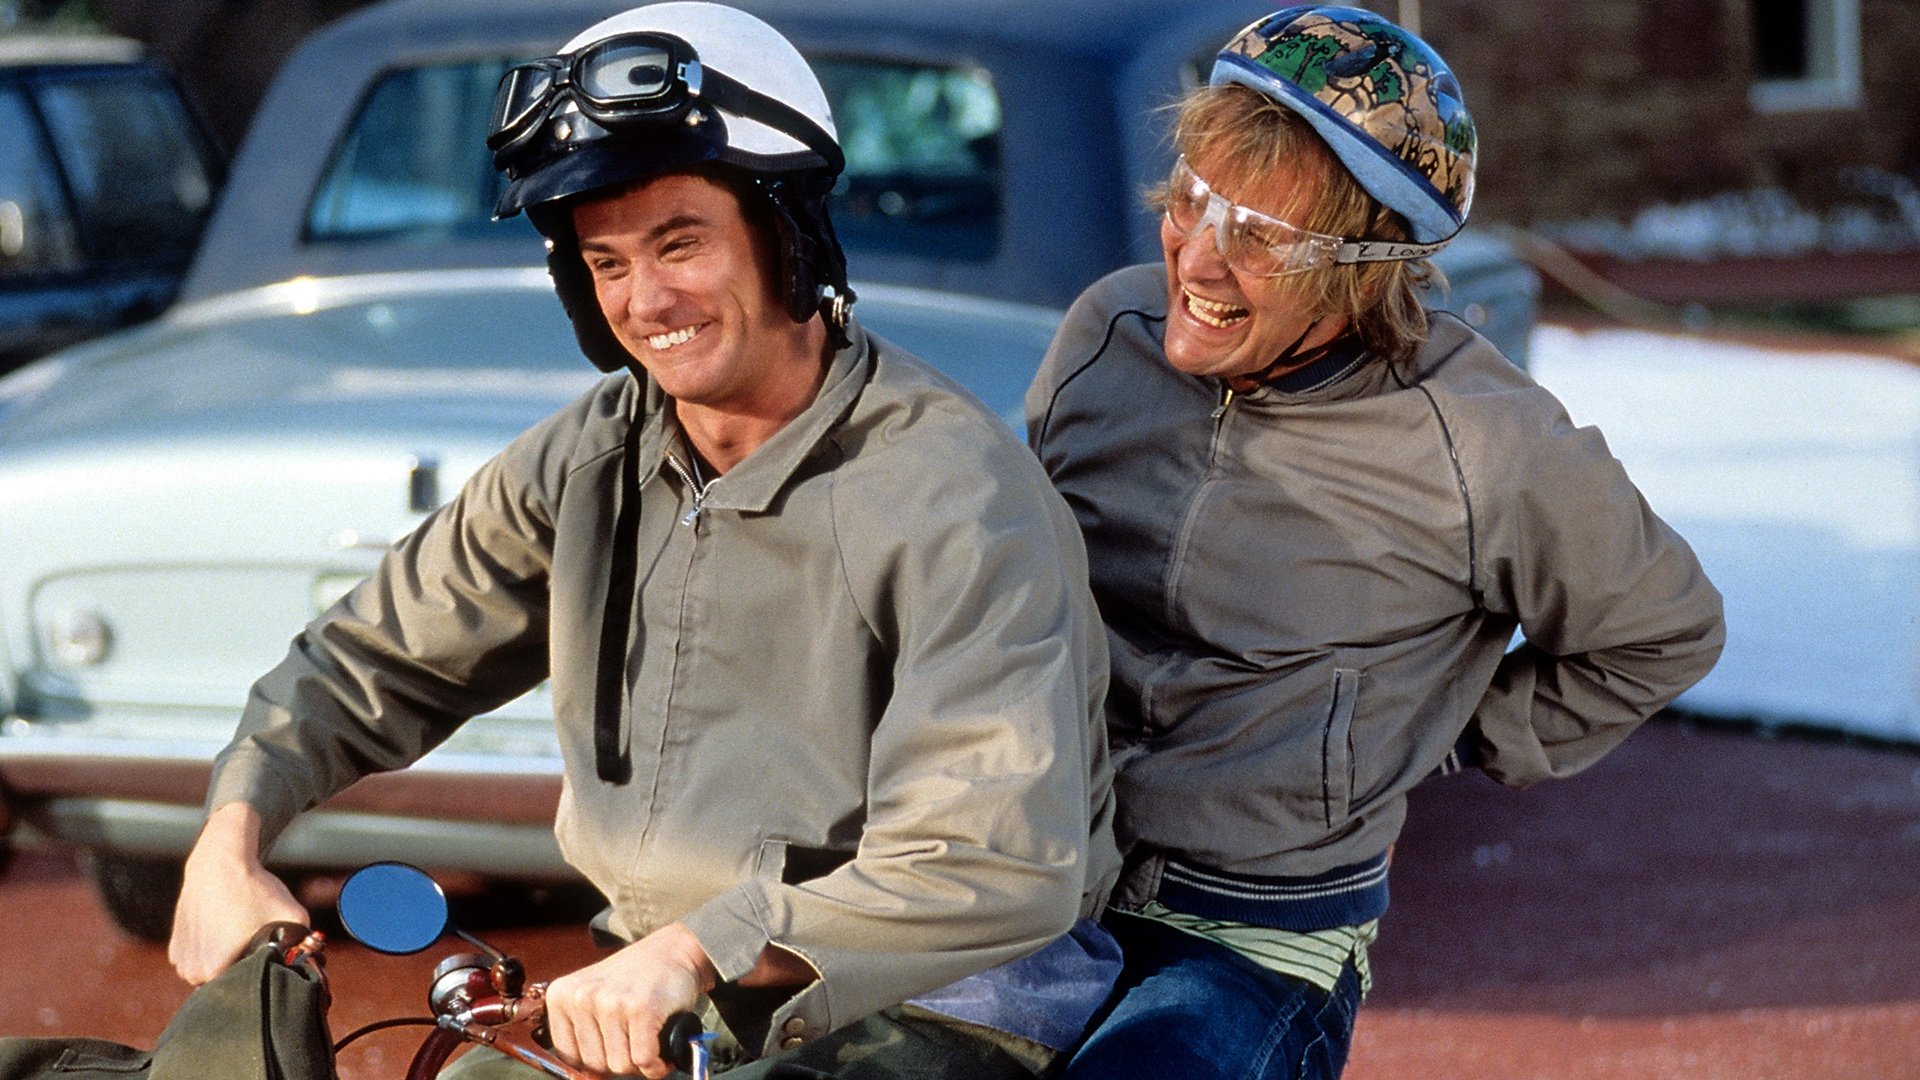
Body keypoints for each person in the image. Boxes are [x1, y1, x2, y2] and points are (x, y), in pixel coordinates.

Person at [166, 4, 1122, 1078]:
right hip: (668, 994)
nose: (646, 299)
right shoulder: (590, 457)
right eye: (606, 261)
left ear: (788, 236)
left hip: (941, 1004)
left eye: (681, 244)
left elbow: (986, 862)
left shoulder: (952, 492)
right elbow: (365, 660)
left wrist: (698, 948)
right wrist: (228, 838)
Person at [1024, 7, 1726, 1079]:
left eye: (1261, 234)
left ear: (1364, 268)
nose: (1198, 258)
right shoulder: (1107, 333)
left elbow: (1664, 631)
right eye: (1195, 198)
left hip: (1250, 935)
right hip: (1043, 873)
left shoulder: (1485, 444)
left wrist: (1437, 737)